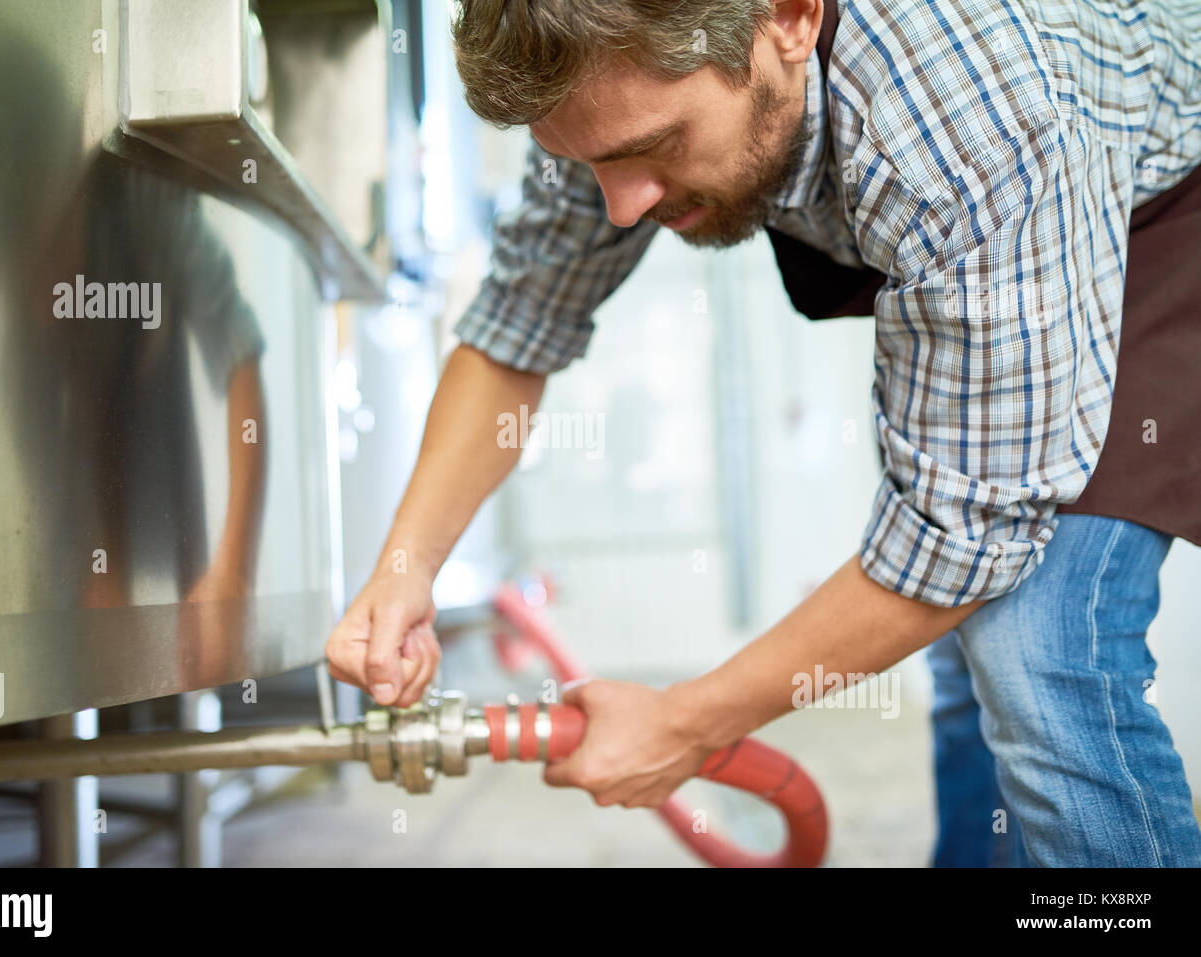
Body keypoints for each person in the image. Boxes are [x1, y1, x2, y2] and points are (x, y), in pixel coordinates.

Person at [326, 0, 1201, 866]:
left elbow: (965, 533)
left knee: (1036, 645)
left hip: (1163, 206)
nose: (620, 208)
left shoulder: (966, 118)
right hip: (1021, 205)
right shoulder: (614, 87)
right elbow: (520, 322)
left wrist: (686, 723)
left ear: (788, 19)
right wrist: (405, 565)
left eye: (654, 147)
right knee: (963, 653)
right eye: (587, 160)